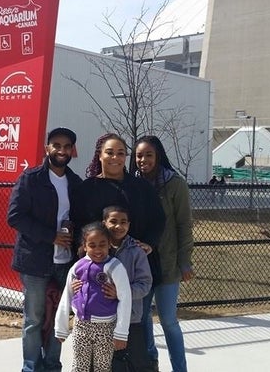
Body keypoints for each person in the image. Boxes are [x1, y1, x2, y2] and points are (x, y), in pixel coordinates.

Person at [8, 127, 84, 372]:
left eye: (66, 146)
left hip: (65, 263)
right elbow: (15, 217)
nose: (61, 150)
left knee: (59, 319)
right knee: (34, 320)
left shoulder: (75, 182)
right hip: (35, 262)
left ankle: (52, 366)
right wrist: (51, 236)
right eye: (56, 145)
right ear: (47, 148)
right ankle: (31, 367)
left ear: (72, 150)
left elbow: (82, 217)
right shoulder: (30, 178)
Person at [132, 135, 194, 372]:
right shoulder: (134, 184)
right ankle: (151, 364)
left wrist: (185, 262)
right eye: (139, 155)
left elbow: (183, 225)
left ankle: (179, 368)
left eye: (149, 154)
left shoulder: (174, 184)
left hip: (167, 263)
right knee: (144, 318)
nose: (143, 160)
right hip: (141, 265)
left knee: (168, 320)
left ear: (158, 156)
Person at [70, 133, 165, 283]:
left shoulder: (141, 187)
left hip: (134, 268)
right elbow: (77, 224)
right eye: (109, 153)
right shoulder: (86, 189)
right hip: (96, 267)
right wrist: (83, 249)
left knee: (136, 307)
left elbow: (158, 219)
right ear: (100, 155)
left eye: (120, 153)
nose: (115, 157)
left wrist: (149, 242)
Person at [55, 221, 132, 372]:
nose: (98, 250)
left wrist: (121, 333)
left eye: (102, 244)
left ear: (109, 244)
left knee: (102, 368)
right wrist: (61, 327)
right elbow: (67, 295)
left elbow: (125, 298)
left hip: (105, 328)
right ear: (85, 246)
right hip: (81, 326)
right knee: (79, 367)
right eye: (92, 245)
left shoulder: (115, 267)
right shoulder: (77, 267)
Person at [101, 205, 153, 371]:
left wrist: (121, 293)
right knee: (108, 362)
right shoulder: (97, 250)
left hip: (130, 318)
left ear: (129, 225)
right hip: (103, 318)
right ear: (104, 223)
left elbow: (144, 284)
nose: (119, 226)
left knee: (138, 362)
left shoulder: (137, 252)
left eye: (123, 222)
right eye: (113, 221)